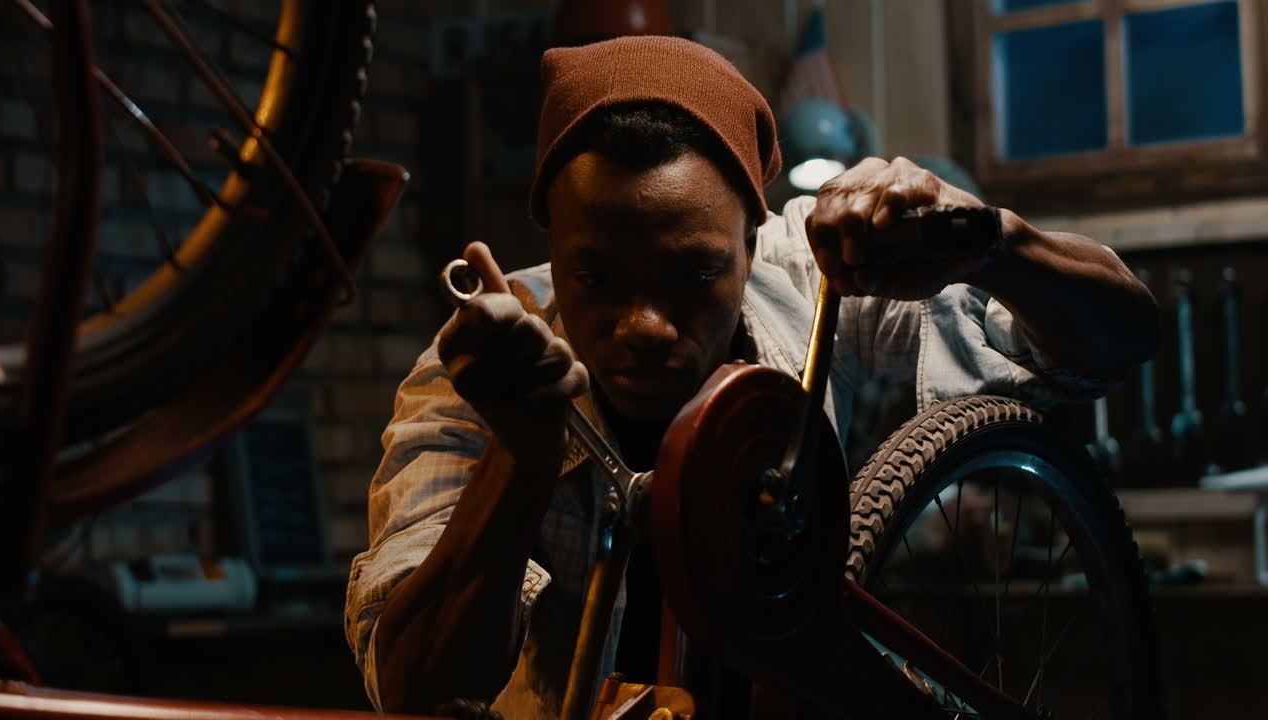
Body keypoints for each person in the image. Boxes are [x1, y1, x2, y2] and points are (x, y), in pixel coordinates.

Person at [344, 35, 1157, 719]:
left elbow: (1115, 343)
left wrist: (989, 244)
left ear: (754, 239)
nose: (646, 328)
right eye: (595, 279)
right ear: (552, 249)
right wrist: (517, 463)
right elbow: (416, 690)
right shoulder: (475, 378)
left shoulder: (812, 271)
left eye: (694, 275)